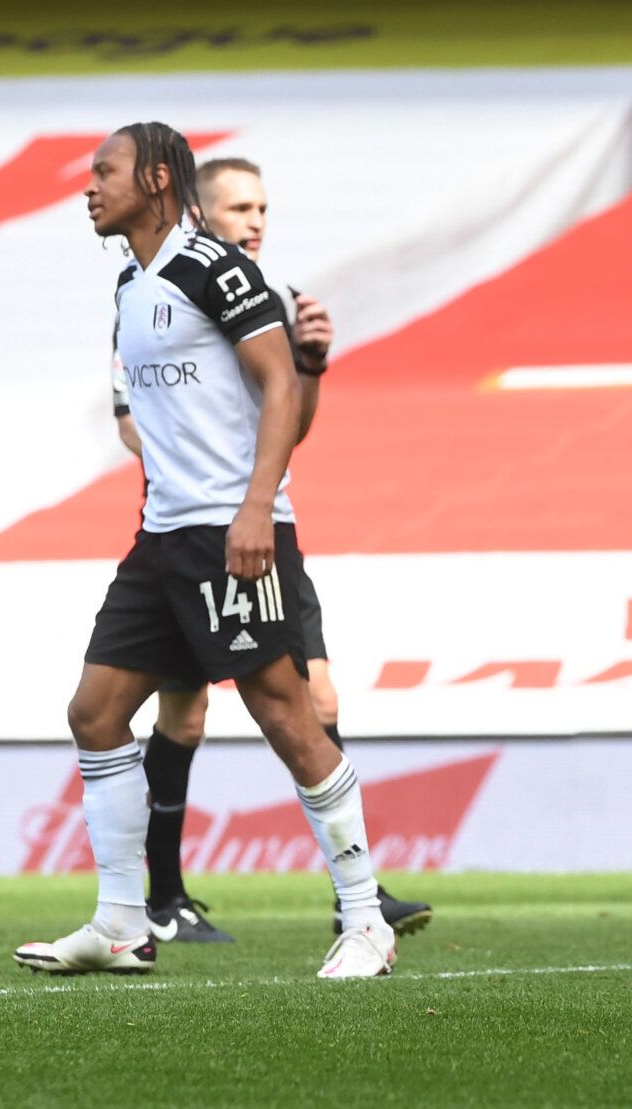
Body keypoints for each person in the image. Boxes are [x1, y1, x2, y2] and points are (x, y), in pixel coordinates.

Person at [15, 121, 395, 979]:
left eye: (103, 171)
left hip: (232, 531)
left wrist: (258, 507)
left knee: (286, 717)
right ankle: (121, 922)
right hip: (162, 538)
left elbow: (279, 379)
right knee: (96, 713)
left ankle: (367, 919)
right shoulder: (128, 282)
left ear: (153, 177)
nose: (89, 186)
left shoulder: (213, 266)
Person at [111, 156, 432, 944]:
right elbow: (137, 419)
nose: (255, 221)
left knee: (312, 698)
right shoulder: (152, 291)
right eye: (238, 207)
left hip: (263, 526)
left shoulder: (275, 299)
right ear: (198, 213)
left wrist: (311, 364)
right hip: (192, 532)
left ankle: (352, 892)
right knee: (184, 709)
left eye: (262, 207)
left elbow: (291, 429)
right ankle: (163, 897)